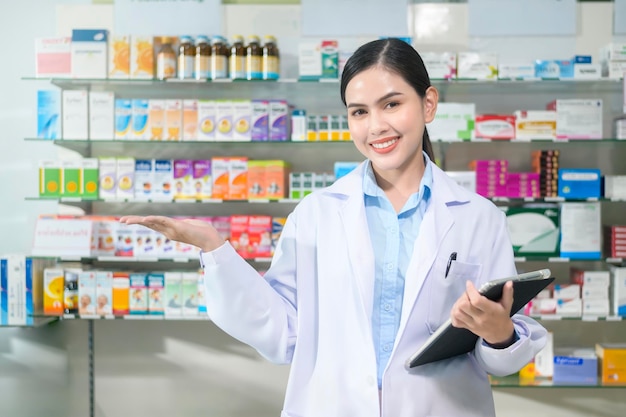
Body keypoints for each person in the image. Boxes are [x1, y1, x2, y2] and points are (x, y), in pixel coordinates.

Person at [120, 38, 547, 417]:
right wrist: (215, 249)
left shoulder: (478, 217)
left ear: (428, 104)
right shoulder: (316, 215)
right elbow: (284, 332)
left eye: (392, 104)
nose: (376, 126)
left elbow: (504, 356)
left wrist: (498, 333)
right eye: (359, 112)